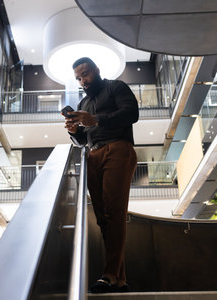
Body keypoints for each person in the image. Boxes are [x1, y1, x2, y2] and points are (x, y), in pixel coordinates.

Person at [64, 57, 138, 293]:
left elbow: (131, 113)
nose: (82, 81)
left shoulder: (116, 87)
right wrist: (75, 131)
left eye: (85, 74)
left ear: (96, 70)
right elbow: (85, 138)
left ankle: (108, 275)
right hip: (93, 156)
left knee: (113, 212)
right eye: (78, 78)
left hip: (117, 148)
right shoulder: (84, 101)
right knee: (103, 217)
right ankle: (120, 279)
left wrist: (96, 119)